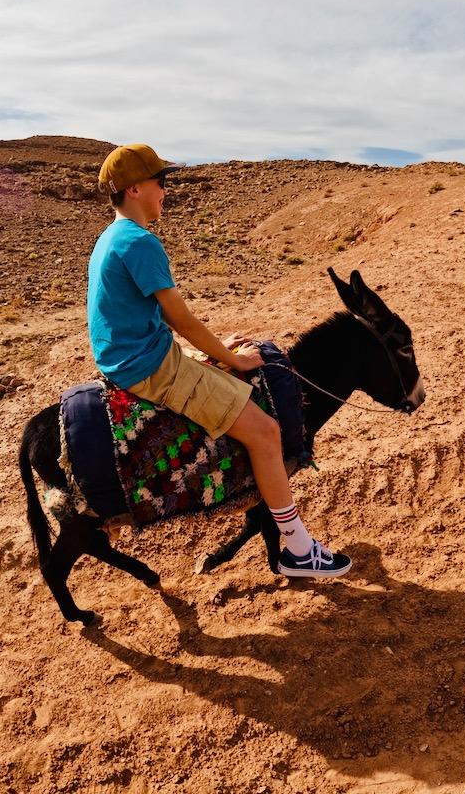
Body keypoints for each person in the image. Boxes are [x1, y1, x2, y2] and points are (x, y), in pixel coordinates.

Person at [87, 143, 351, 578]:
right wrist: (231, 358)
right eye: (160, 182)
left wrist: (198, 356)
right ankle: (299, 551)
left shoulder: (108, 239)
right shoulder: (139, 242)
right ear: (135, 188)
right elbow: (182, 319)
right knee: (266, 432)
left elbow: (142, 320)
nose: (164, 192)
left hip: (132, 359)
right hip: (151, 369)